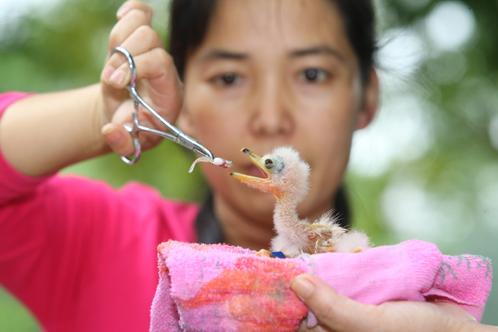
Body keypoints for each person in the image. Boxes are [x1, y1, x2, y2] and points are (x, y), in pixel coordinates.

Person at [0, 0, 494, 331]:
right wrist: (102, 114)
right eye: (230, 77)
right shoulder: (105, 244)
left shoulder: (408, 296)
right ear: (184, 102)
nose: (271, 117)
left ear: (366, 98)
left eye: (312, 73)